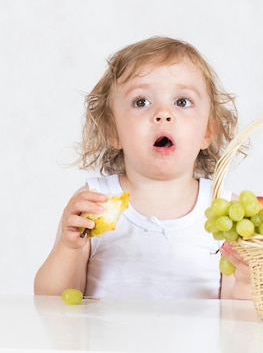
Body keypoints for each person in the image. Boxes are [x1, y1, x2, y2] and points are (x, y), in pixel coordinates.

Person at [34, 36, 251, 300]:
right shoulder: (95, 203)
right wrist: (67, 248)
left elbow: (235, 318)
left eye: (182, 102)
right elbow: (50, 300)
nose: (163, 113)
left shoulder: (224, 211)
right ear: (113, 131)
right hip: (107, 343)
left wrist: (246, 280)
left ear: (208, 131)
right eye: (141, 102)